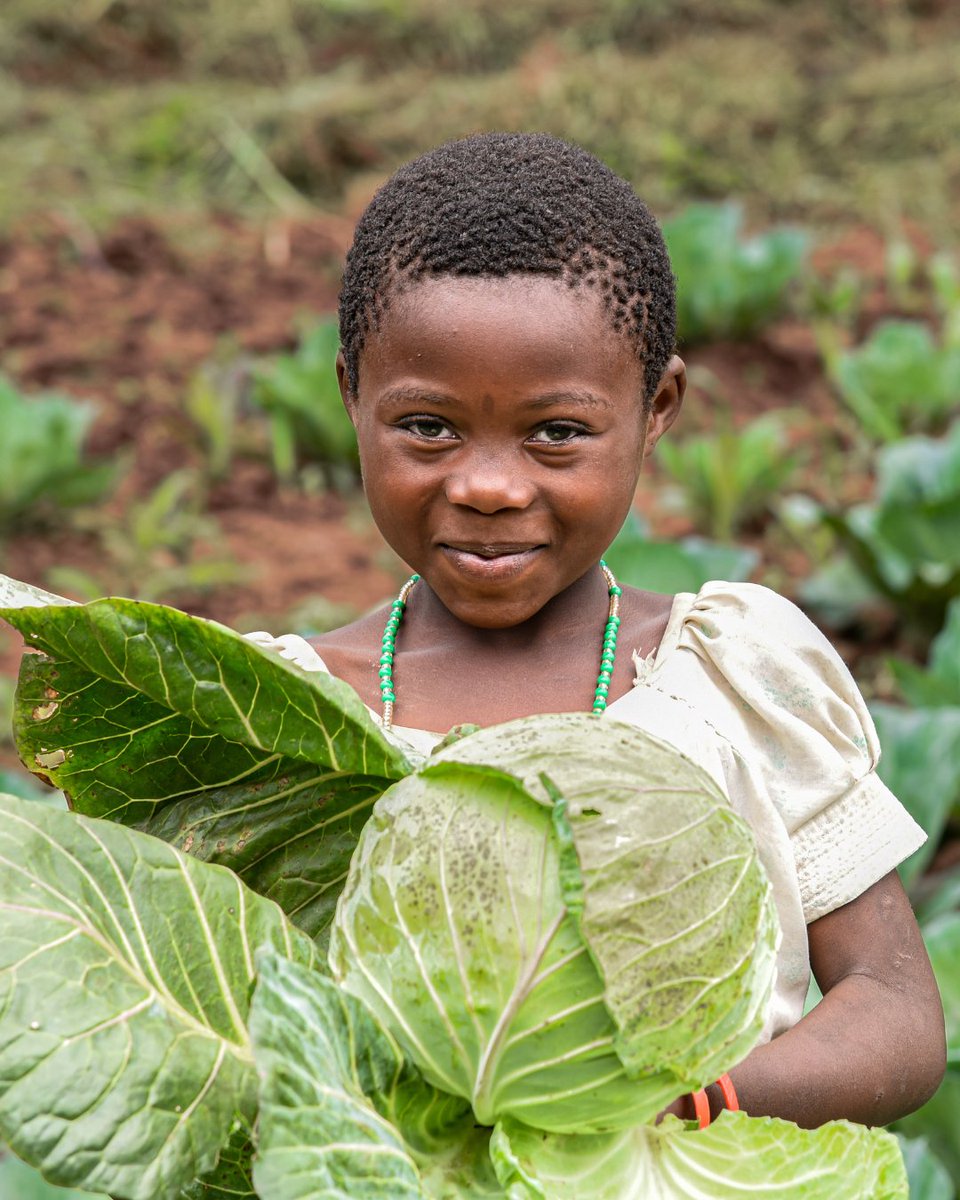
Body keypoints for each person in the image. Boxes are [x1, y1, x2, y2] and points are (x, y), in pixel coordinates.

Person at [247, 131, 945, 1129]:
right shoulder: (285, 716)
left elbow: (897, 1013)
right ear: (352, 394)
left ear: (657, 407)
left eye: (557, 433)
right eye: (428, 428)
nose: (489, 485)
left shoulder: (729, 680)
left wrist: (696, 1103)